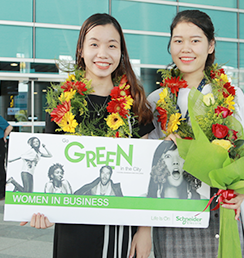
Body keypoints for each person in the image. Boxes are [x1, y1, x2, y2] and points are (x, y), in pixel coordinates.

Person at [20, 13, 154, 258]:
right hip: (74, 230)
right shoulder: (61, 105)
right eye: (94, 44)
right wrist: (39, 210)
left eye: (112, 45)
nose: (103, 53)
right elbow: (50, 167)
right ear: (81, 50)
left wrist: (145, 230)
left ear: (121, 53)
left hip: (121, 228)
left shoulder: (134, 106)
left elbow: (145, 174)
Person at [147, 10, 244, 257]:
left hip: (220, 208)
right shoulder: (156, 101)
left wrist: (241, 192)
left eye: (195, 40)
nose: (186, 48)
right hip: (173, 215)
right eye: (178, 40)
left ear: (211, 45)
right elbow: (148, 164)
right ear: (170, 45)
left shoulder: (231, 95)